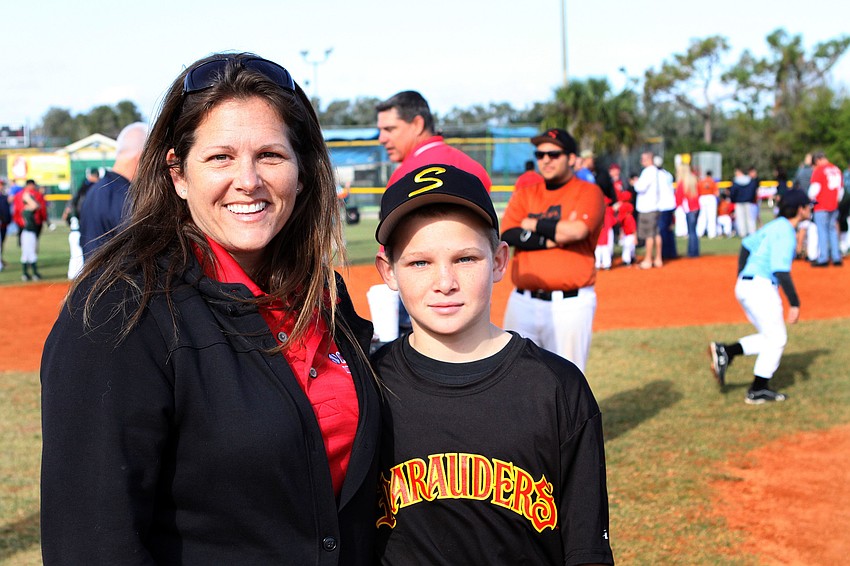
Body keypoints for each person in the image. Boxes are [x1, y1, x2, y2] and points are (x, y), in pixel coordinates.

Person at [40, 52, 380, 564]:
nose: (248, 180)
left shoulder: (322, 294)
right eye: (220, 157)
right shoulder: (121, 310)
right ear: (177, 174)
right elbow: (91, 542)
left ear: (303, 172)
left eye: (271, 155)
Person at [372, 163, 615, 565]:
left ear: (500, 261)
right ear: (389, 271)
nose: (445, 281)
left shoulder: (556, 388)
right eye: (419, 263)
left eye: (466, 259)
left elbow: (586, 547)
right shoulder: (369, 385)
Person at [500, 128, 605, 374]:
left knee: (567, 381)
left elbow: (577, 231)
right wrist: (553, 237)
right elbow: (509, 234)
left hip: (570, 304)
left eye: (553, 154)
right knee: (514, 378)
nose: (545, 159)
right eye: (540, 154)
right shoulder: (526, 194)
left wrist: (533, 224)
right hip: (522, 301)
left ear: (571, 158)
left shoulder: (588, 191)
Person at [709, 190, 813, 404]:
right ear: (800, 209)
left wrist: (741, 274)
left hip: (746, 286)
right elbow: (781, 271)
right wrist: (794, 303)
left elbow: (746, 244)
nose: (810, 208)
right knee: (778, 339)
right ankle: (758, 389)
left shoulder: (775, 225)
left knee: (769, 336)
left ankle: (726, 351)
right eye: (808, 205)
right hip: (761, 287)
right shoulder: (786, 232)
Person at [376, 90, 491, 191]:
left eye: (389, 129)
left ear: (417, 125)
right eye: (380, 130)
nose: (382, 139)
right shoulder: (474, 168)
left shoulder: (404, 176)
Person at [79, 122, 149, 258]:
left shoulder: (95, 191)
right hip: (116, 277)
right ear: (142, 157)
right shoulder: (125, 196)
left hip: (94, 276)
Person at [808, 151, 845, 267]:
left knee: (822, 231)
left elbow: (813, 190)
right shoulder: (837, 169)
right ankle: (836, 257)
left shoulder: (819, 170)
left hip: (821, 205)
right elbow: (841, 191)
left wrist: (812, 201)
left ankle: (823, 258)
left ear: (818, 160)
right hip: (834, 205)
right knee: (832, 230)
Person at [634, 152, 664, 268]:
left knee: (649, 235)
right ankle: (658, 259)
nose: (642, 161)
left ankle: (647, 260)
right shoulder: (658, 172)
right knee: (656, 233)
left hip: (648, 208)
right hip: (655, 206)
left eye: (643, 159)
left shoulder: (648, 171)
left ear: (649, 159)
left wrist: (636, 182)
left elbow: (640, 187)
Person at [17, 179, 46, 281]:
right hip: (29, 234)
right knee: (31, 253)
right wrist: (29, 197)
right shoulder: (27, 210)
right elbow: (37, 205)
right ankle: (34, 274)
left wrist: (28, 197)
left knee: (26, 253)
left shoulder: (25, 210)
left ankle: (25, 274)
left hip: (26, 233)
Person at [675, 166, 701, 257]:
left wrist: (677, 206)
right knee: (694, 230)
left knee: (691, 231)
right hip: (696, 208)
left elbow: (679, 196)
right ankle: (695, 251)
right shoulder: (694, 180)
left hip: (689, 209)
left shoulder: (683, 183)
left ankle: (692, 252)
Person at [730, 167, 758, 238]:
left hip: (739, 202)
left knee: (740, 219)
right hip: (748, 202)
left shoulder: (736, 181)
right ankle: (752, 232)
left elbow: (732, 193)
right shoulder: (750, 180)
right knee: (750, 218)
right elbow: (753, 191)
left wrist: (733, 200)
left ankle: (742, 233)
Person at [696, 169, 719, 238]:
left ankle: (699, 232)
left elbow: (697, 192)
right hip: (711, 198)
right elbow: (717, 193)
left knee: (702, 216)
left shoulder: (701, 181)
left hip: (702, 198)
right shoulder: (713, 181)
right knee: (711, 216)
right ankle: (712, 234)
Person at [0, 179, 10, 271]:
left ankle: (1, 260)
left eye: (2, 184)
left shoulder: (4, 197)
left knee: (1, 244)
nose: (1, 186)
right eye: (0, 184)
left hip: (4, 224)